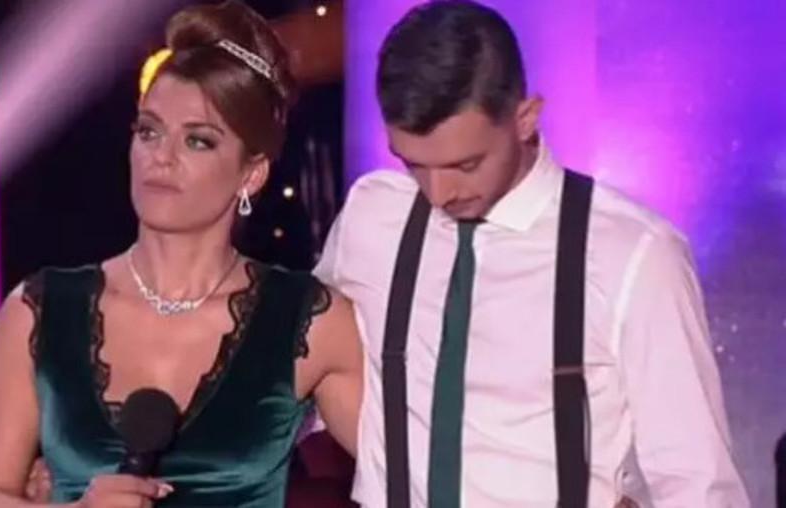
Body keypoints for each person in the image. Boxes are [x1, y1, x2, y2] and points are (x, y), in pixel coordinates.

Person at [313, 1, 749, 507]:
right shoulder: (373, 216)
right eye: (414, 165)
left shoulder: (633, 252)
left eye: (465, 164)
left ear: (525, 118)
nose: (439, 193)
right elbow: (296, 366)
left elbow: (696, 483)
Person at [0, 2, 362, 506]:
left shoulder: (310, 319)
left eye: (198, 141)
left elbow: (412, 475)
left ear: (251, 173)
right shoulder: (40, 310)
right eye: (149, 131)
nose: (161, 157)